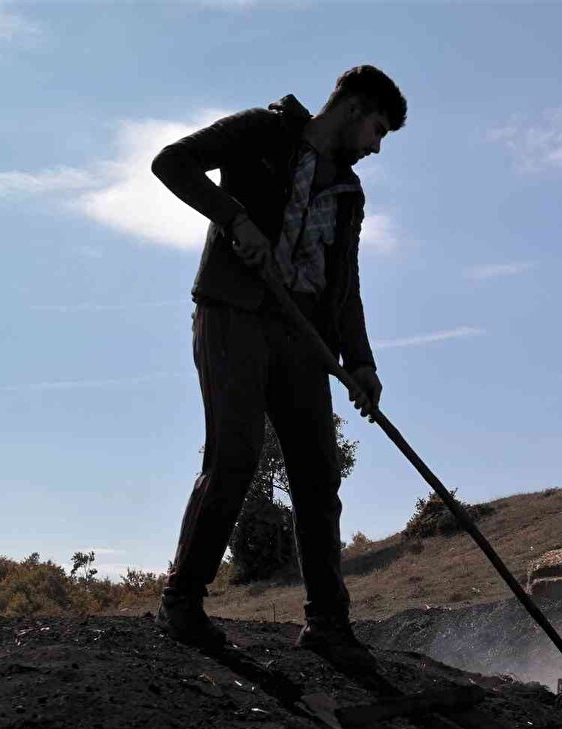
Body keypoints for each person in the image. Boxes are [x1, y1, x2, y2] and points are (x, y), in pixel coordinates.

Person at [149, 65, 406, 665]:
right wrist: (234, 218)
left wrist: (361, 363)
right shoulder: (261, 132)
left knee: (318, 473)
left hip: (302, 336)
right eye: (377, 129)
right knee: (234, 456)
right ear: (352, 108)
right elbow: (171, 162)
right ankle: (183, 602)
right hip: (233, 312)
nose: (375, 147)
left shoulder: (349, 193)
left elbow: (345, 284)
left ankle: (328, 624)